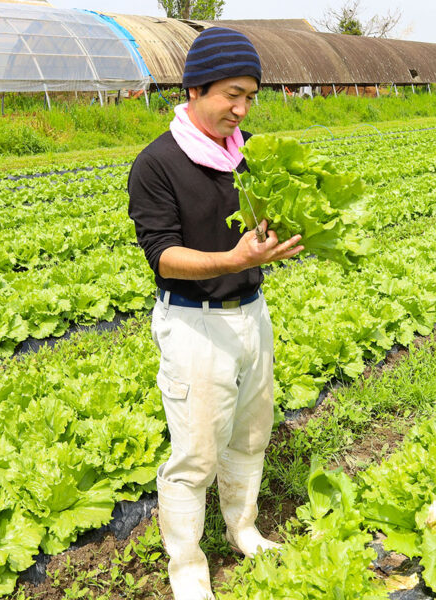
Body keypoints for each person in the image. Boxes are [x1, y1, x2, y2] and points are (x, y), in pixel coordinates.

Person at [127, 27, 303, 600]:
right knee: (195, 455)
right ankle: (189, 572)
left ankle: (244, 529)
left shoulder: (248, 153)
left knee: (251, 435)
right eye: (232, 94)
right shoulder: (157, 163)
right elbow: (164, 256)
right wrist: (232, 257)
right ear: (196, 88)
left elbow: (268, 223)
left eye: (250, 96)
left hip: (252, 314)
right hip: (193, 322)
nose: (241, 108)